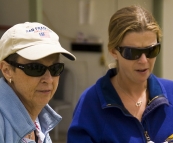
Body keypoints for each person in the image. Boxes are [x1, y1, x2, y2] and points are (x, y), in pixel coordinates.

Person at [67, 5, 173, 143]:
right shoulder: (91, 103)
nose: (143, 60)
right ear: (113, 51)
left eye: (151, 50)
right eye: (132, 52)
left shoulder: (171, 93)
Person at [0, 22, 76, 143]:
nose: (49, 79)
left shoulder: (39, 120)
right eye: (35, 68)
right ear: (7, 70)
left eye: (56, 68)